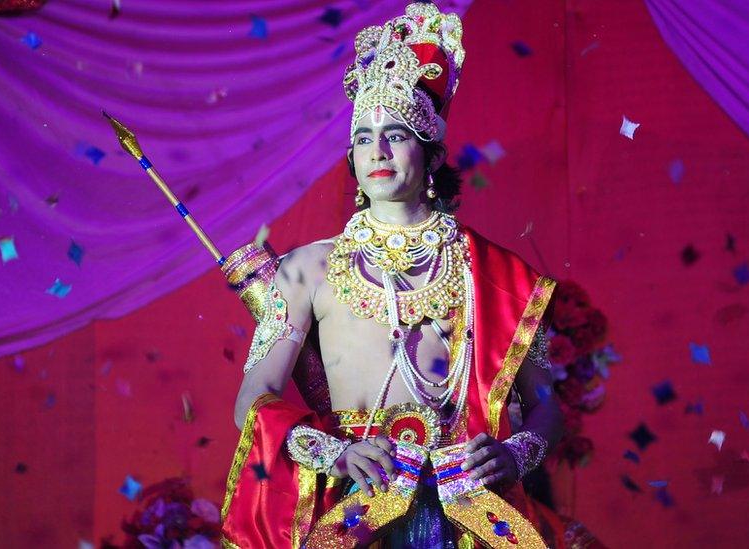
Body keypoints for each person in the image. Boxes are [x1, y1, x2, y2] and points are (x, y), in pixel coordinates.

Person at [219, 3, 599, 547]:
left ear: (431, 151)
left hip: (470, 509)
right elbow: (252, 401)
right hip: (358, 505)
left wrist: (515, 453)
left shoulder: (493, 270)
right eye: (362, 138)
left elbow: (545, 406)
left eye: (395, 134)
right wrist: (337, 452)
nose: (377, 150)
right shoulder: (305, 270)